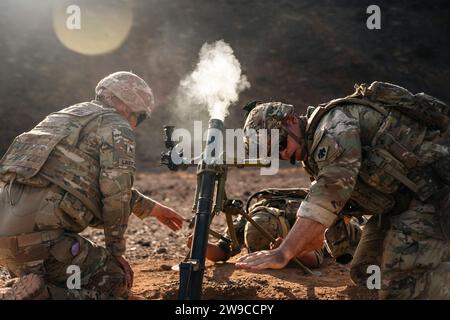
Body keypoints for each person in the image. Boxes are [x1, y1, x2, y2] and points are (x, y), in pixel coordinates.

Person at [236, 82, 450, 299]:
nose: (283, 155)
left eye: (281, 143)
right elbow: (327, 219)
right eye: (273, 154)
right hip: (398, 206)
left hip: (435, 196)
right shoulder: (312, 153)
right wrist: (295, 247)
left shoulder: (332, 127)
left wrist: (284, 252)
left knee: (401, 286)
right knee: (367, 273)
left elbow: (329, 193)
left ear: (291, 120)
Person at [0, 71, 184, 300]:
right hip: (42, 245)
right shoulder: (117, 125)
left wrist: (151, 209)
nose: (136, 124)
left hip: (8, 247)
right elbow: (115, 194)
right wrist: (115, 251)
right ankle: (44, 295)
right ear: (129, 107)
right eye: (140, 117)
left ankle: (24, 287)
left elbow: (79, 182)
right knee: (115, 282)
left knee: (57, 275)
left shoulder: (62, 117)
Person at [187, 188, 364, 269]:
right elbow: (222, 251)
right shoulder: (251, 216)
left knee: (358, 235)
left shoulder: (302, 219)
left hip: (325, 211)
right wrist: (199, 244)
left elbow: (316, 258)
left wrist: (291, 249)